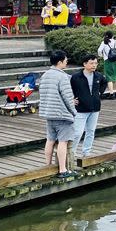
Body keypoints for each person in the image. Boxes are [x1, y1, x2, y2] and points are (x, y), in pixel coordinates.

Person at [39, 50, 78, 179]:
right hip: (62, 114)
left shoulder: (45, 75)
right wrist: (73, 111)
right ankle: (62, 169)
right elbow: (67, 97)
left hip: (48, 113)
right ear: (60, 62)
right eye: (66, 60)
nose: (67, 62)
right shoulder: (62, 76)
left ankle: (47, 166)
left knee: (50, 140)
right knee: (63, 142)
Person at [70, 54, 108, 158]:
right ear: (84, 64)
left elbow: (104, 83)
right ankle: (71, 152)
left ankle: (86, 152)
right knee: (77, 132)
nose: (94, 65)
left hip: (95, 108)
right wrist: (72, 99)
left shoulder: (98, 76)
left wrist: (100, 93)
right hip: (81, 109)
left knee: (91, 131)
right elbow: (68, 89)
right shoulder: (76, 77)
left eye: (95, 63)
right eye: (91, 63)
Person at [97, 30, 116, 99]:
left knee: (109, 77)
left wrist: (101, 55)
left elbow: (99, 50)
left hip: (107, 61)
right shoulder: (115, 41)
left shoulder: (104, 42)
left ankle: (111, 94)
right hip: (115, 61)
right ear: (112, 35)